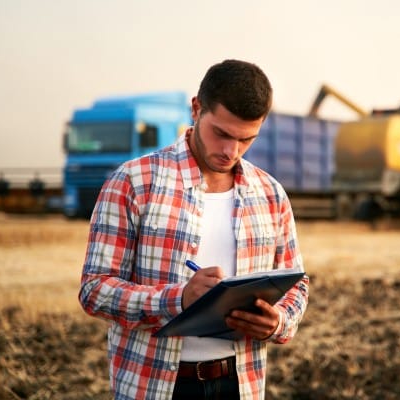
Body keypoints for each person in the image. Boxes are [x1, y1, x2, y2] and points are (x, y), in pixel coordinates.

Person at [79, 59, 309, 400]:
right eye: (222, 134)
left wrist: (277, 322)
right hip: (152, 386)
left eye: (246, 139)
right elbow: (94, 290)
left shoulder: (270, 193)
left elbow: (297, 283)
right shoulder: (133, 182)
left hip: (240, 383)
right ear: (196, 109)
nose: (231, 151)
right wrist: (178, 299)